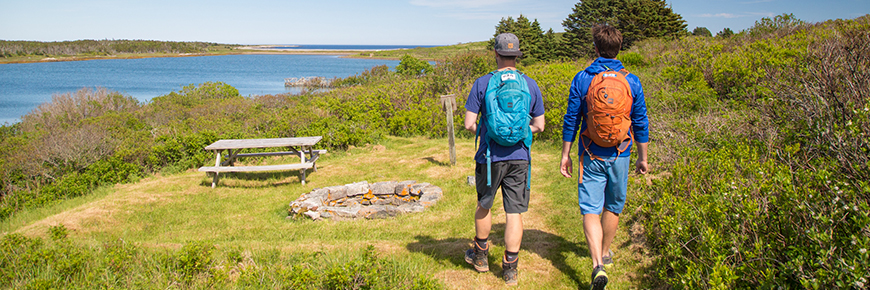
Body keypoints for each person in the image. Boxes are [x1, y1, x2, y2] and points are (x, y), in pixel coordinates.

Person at [559, 25, 649, 290]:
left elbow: (572, 119)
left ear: (596, 48)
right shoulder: (632, 80)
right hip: (622, 153)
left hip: (590, 152)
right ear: (619, 49)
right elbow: (640, 121)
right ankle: (606, 252)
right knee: (613, 205)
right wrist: (643, 158)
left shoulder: (583, 78)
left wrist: (565, 154)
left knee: (590, 208)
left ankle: (597, 264)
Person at [463, 32, 546, 286]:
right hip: (519, 157)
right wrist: (520, 132)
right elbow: (540, 125)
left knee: (484, 205)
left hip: (489, 157)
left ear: (496, 54)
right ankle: (510, 269)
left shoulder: (483, 83)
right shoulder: (529, 84)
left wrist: (489, 133)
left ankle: (481, 256)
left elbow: (469, 124)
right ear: (517, 56)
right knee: (514, 213)